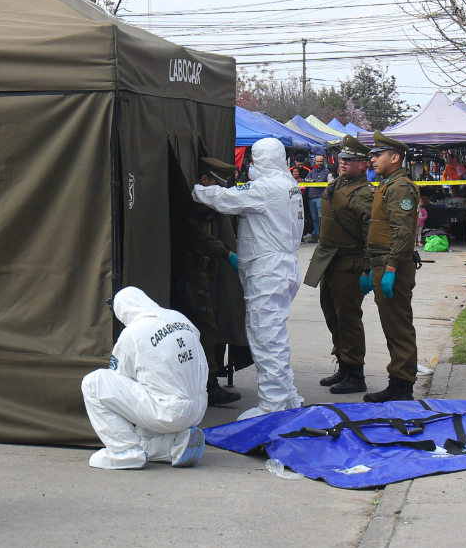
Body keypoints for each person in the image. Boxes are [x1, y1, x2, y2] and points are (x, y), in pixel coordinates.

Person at [192, 138, 304, 419]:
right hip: (282, 267)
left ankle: (273, 404)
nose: (252, 165)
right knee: (275, 336)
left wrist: (196, 190)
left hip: (268, 271)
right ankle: (287, 395)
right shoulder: (287, 184)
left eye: (254, 159)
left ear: (262, 160)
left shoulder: (267, 188)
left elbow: (227, 200)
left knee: (266, 338)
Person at [81, 287, 208, 470]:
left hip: (169, 411)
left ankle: (124, 452)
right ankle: (177, 444)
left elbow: (119, 378)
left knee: (94, 383)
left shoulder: (132, 333)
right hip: (198, 407)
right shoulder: (179, 317)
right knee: (143, 431)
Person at [169, 157, 243, 407]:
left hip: (199, 274)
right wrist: (227, 253)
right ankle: (209, 385)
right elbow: (199, 238)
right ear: (204, 181)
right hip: (190, 276)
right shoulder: (188, 205)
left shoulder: (201, 205)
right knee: (205, 329)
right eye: (216, 184)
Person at [303, 136, 374, 395]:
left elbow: (371, 232)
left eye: (350, 160)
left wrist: (367, 267)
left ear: (363, 165)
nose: (343, 163)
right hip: (329, 261)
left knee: (348, 319)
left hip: (349, 262)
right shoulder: (337, 185)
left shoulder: (364, 193)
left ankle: (356, 373)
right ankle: (343, 364)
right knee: (332, 315)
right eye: (342, 159)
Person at [362, 133, 420, 403]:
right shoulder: (387, 185)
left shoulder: (399, 187)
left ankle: (401, 385)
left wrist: (392, 268)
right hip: (382, 263)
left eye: (378, 155)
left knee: (398, 326)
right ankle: (398, 380)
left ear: (394, 158)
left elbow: (403, 232)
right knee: (392, 325)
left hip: (392, 264)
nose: (372, 159)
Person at [305, 154, 332, 241]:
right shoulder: (313, 171)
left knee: (321, 217)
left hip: (320, 197)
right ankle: (316, 235)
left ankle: (323, 235)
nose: (319, 163)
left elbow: (321, 181)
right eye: (318, 161)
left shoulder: (326, 171)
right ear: (315, 162)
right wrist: (313, 181)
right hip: (311, 198)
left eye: (321, 161)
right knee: (314, 218)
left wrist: (312, 181)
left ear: (324, 162)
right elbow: (306, 179)